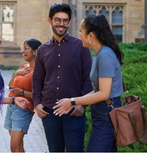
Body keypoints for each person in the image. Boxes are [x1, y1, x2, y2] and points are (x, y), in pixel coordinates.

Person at [53, 14, 124, 152]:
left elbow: (104, 94)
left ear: (90, 36)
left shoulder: (105, 55)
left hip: (106, 115)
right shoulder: (99, 54)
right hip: (102, 114)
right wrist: (78, 102)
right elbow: (99, 89)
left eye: (80, 30)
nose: (79, 34)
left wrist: (72, 101)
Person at [32, 3, 93, 152]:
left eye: (65, 20)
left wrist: (81, 105)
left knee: (75, 150)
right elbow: (37, 79)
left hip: (73, 111)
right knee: (54, 150)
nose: (61, 24)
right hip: (49, 112)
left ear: (69, 22)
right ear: (50, 21)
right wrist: (37, 103)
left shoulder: (81, 46)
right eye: (58, 20)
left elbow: (89, 78)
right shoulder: (42, 49)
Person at [4, 38, 41, 152]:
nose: (22, 51)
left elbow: (39, 94)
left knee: (14, 146)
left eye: (26, 48)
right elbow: (10, 86)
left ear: (35, 51)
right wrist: (16, 74)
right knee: (19, 147)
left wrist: (22, 93)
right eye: (22, 48)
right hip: (12, 106)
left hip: (23, 109)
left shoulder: (39, 71)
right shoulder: (23, 67)